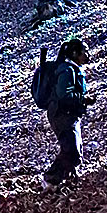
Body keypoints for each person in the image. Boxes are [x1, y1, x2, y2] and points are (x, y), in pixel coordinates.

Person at [41, 35, 90, 186]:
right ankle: (50, 180)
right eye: (84, 52)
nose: (87, 55)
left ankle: (67, 179)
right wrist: (83, 99)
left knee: (74, 149)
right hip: (62, 115)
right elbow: (64, 95)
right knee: (72, 150)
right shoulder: (66, 71)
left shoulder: (72, 69)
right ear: (75, 54)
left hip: (69, 114)